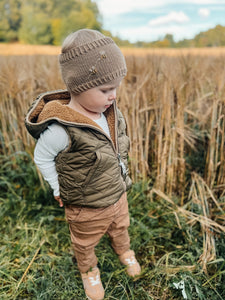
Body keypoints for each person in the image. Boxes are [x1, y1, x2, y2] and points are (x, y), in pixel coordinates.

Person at [25, 29, 141, 300]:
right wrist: (57, 187)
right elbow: (42, 157)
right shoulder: (61, 130)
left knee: (120, 225)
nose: (113, 96)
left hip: (116, 193)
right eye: (105, 90)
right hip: (85, 205)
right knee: (85, 241)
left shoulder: (110, 113)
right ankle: (89, 270)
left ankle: (124, 249)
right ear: (78, 87)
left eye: (116, 88)